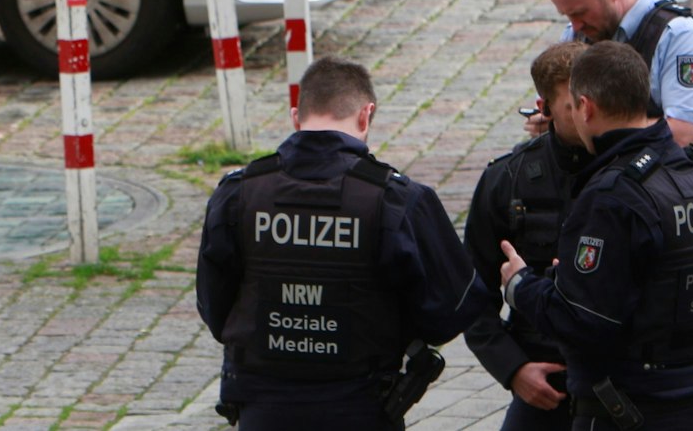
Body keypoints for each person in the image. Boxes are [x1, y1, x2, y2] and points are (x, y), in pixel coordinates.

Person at [196, 56, 494, 430]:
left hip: (263, 405)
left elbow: (214, 305)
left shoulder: (238, 193)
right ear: (366, 115)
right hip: (360, 403)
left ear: (295, 117)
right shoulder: (396, 199)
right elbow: (450, 310)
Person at [499, 42, 693, 431]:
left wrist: (521, 286)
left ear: (586, 107)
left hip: (624, 409)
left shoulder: (612, 195)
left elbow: (583, 321)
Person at [465, 42, 591, 430]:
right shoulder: (509, 179)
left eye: (593, 99)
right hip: (544, 379)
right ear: (545, 108)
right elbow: (471, 294)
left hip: (621, 374)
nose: (589, 112)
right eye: (573, 105)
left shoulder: (631, 172)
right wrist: (514, 369)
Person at [543, 0, 693, 147]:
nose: (575, 25)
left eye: (580, 13)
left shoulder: (680, 38)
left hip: (657, 175)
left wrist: (599, 128)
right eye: (567, 15)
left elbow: (684, 136)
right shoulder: (577, 33)